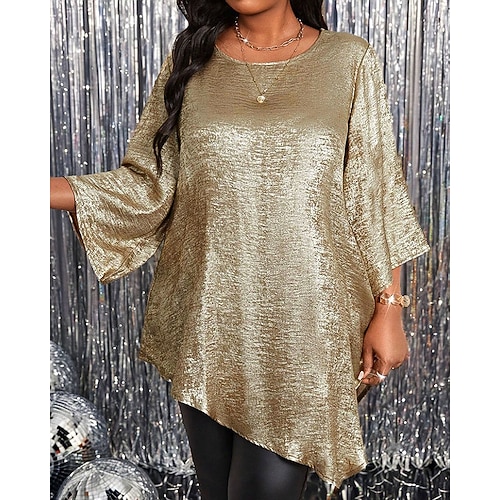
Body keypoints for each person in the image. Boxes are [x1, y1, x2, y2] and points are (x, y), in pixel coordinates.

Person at [50, 0, 430, 498]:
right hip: (211, 322)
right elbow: (148, 184)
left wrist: (390, 307)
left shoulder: (348, 59)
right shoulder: (191, 59)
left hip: (306, 326)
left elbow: (376, 192)